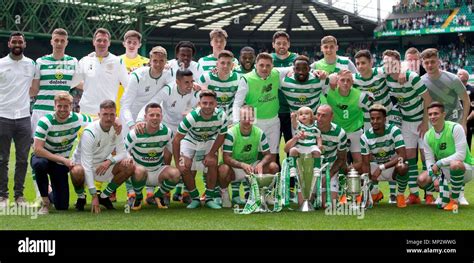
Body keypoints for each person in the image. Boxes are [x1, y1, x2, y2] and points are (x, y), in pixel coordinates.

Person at [30, 28, 79, 205]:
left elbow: (82, 83)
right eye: (56, 40)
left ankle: (54, 187)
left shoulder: (73, 62)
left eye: (62, 40)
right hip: (41, 111)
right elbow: (34, 89)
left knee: (58, 147)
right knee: (37, 153)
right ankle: (40, 195)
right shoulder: (40, 61)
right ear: (51, 41)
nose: (59, 43)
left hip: (63, 111)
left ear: (66, 42)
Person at [136, 68, 199, 204]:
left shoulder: (196, 91)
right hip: (168, 127)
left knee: (188, 161)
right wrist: (140, 120)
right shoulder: (168, 90)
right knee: (166, 157)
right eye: (186, 82)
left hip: (185, 128)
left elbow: (201, 104)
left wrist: (193, 109)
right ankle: (164, 193)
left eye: (192, 81)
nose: (190, 85)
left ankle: (187, 193)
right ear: (177, 82)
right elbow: (151, 103)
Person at [120, 46, 173, 204]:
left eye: (161, 61)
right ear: (149, 61)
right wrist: (131, 125)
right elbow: (125, 105)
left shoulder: (167, 74)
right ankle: (131, 193)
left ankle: (151, 193)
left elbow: (179, 84)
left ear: (165, 62)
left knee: (154, 150)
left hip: (153, 117)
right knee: (129, 157)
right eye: (154, 61)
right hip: (133, 118)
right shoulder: (138, 75)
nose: (157, 64)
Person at [383, 50, 432, 205]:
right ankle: (414, 194)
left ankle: (429, 194)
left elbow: (428, 100)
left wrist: (425, 122)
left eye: (391, 62)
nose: (388, 66)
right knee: (409, 158)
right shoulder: (387, 79)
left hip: (422, 121)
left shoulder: (412, 77)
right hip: (406, 122)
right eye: (385, 63)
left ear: (398, 63)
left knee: (426, 158)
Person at [31, 92, 92, 214]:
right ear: (55, 106)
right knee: (39, 164)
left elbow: (97, 120)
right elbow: (37, 149)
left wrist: (116, 121)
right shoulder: (45, 121)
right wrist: (64, 160)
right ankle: (45, 202)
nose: (62, 109)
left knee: (62, 206)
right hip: (44, 157)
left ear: (71, 106)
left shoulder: (78, 118)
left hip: (59, 164)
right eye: (59, 106)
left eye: (66, 106)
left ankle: (49, 190)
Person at [71, 100, 135, 213]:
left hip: (103, 165)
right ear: (99, 115)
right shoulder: (89, 132)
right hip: (83, 166)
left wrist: (109, 161)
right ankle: (81, 197)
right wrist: (93, 195)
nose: (109, 118)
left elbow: (122, 153)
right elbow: (87, 165)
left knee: (129, 166)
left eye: (112, 114)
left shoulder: (116, 129)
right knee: (76, 171)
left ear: (116, 115)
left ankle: (104, 196)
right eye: (105, 114)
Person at [172, 90, 227, 209]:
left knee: (212, 162)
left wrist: (211, 153)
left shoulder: (221, 116)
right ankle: (195, 197)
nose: (207, 106)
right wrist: (177, 163)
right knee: (185, 165)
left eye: (211, 103)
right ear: (199, 103)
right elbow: (176, 140)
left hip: (208, 140)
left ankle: (209, 198)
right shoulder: (192, 117)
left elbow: (222, 135)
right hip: (190, 140)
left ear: (216, 104)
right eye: (204, 103)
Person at [0, 32, 36, 207]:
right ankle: (3, 196)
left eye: (20, 42)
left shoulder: (31, 64)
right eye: (14, 41)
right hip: (3, 116)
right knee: (2, 159)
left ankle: (19, 196)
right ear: (9, 44)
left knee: (22, 159)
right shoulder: (0, 64)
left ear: (24, 44)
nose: (17, 44)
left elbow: (36, 85)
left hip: (23, 117)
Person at [218, 105, 279, 207]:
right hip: (236, 168)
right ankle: (224, 194)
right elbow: (226, 158)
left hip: (252, 167)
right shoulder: (231, 133)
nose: (247, 121)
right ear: (239, 117)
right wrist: (242, 165)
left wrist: (260, 164)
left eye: (250, 117)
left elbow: (267, 155)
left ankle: (266, 194)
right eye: (244, 117)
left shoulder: (259, 132)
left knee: (273, 166)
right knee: (223, 169)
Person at [417, 102, 473, 210]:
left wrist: (439, 163)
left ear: (443, 114)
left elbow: (460, 155)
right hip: (443, 170)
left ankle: (455, 199)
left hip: (465, 168)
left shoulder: (455, 128)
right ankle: (446, 194)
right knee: (421, 180)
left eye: (436, 114)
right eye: (430, 114)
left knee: (455, 164)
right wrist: (434, 178)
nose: (432, 117)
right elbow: (429, 161)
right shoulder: (428, 135)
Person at [126, 103, 180, 210]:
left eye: (157, 115)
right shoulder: (134, 133)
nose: (155, 118)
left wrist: (180, 161)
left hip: (157, 171)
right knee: (139, 170)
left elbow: (173, 149)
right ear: (145, 117)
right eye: (151, 115)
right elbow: (124, 150)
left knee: (176, 173)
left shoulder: (166, 132)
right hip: (139, 173)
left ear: (161, 117)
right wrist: (129, 159)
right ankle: (138, 197)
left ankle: (158, 196)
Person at [233, 53, 281, 163]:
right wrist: (236, 122)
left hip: (273, 121)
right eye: (261, 65)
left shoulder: (276, 73)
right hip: (255, 122)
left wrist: (317, 71)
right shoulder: (246, 79)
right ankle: (253, 179)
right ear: (256, 65)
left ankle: (269, 180)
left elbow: (293, 67)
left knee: (272, 155)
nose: (265, 68)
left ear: (272, 66)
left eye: (268, 65)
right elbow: (237, 103)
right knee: (256, 156)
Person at [71, 28, 129, 116]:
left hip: (107, 113)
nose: (102, 43)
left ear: (109, 42)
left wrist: (124, 105)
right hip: (86, 112)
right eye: (99, 40)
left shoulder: (118, 62)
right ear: (94, 42)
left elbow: (128, 86)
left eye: (105, 41)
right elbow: (72, 82)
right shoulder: (85, 61)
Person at [360, 104, 409, 208]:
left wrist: (382, 167)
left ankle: (400, 196)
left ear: (385, 119)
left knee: (402, 166)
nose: (375, 121)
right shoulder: (365, 137)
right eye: (372, 119)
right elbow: (365, 163)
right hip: (375, 169)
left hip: (392, 168)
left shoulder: (394, 130)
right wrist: (368, 183)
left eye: (378, 118)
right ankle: (374, 193)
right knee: (357, 170)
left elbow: (402, 155)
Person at [322, 70, 372, 172]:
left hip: (355, 131)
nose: (345, 83)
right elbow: (319, 75)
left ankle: (352, 178)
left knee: (360, 162)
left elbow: (372, 111)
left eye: (348, 80)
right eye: (342, 80)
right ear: (337, 81)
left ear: (352, 82)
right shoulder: (329, 91)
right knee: (336, 161)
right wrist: (330, 76)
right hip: (337, 131)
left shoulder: (361, 96)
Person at [420, 48, 469, 131]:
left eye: (432, 62)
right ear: (423, 64)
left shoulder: (453, 79)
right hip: (435, 124)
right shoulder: (420, 82)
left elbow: (466, 100)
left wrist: (464, 123)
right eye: (426, 63)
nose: (429, 65)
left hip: (455, 121)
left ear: (439, 62)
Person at [284, 106, 323, 204]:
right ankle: (292, 168)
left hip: (311, 147)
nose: (303, 116)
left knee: (317, 152)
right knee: (292, 150)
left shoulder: (315, 128)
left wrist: (319, 145)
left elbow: (319, 137)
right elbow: (294, 124)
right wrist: (293, 117)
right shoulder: (299, 126)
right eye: (301, 114)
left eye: (306, 114)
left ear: (311, 116)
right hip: (301, 147)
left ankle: (317, 168)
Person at [315, 105, 348, 205]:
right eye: (318, 115)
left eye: (324, 116)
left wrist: (328, 176)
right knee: (305, 202)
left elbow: (341, 158)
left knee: (329, 204)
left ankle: (339, 188)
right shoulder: (309, 128)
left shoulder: (340, 133)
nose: (319, 119)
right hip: (312, 170)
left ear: (331, 117)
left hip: (330, 169)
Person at [199, 50, 239, 122]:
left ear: (232, 65)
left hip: (229, 118)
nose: (225, 66)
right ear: (217, 64)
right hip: (210, 116)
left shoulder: (238, 78)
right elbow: (200, 101)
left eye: (228, 63)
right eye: (222, 63)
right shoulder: (206, 78)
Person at [116, 30, 149, 115]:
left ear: (139, 45)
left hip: (138, 109)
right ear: (124, 44)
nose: (131, 45)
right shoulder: (115, 61)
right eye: (129, 42)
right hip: (118, 108)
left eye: (135, 43)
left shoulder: (147, 63)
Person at [457, 69, 474, 148]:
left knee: (466, 146)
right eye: (457, 74)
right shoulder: (453, 90)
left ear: (466, 77)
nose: (458, 75)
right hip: (455, 122)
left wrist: (465, 120)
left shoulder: (472, 90)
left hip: (468, 123)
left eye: (460, 74)